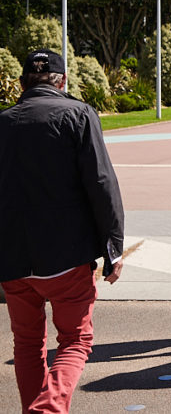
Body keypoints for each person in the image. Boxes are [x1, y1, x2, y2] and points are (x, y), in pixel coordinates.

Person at [0, 49, 125, 413]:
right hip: (66, 253)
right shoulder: (78, 114)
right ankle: (48, 408)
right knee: (75, 340)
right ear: (63, 81)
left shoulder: (3, 122)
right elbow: (102, 184)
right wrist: (113, 247)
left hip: (12, 256)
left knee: (26, 343)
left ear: (22, 84)